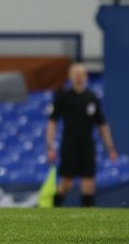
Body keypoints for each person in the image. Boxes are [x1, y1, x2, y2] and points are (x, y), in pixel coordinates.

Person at [45, 63, 119, 207]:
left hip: (87, 146)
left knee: (89, 183)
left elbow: (102, 125)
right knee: (66, 183)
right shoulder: (63, 97)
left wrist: (110, 147)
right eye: (75, 73)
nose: (78, 76)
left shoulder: (92, 99)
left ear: (86, 76)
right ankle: (53, 208)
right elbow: (52, 123)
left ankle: (87, 217)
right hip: (69, 145)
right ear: (70, 76)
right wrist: (50, 146)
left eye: (81, 73)